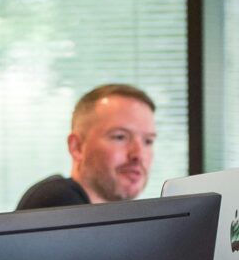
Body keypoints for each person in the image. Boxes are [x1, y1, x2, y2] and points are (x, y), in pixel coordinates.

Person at [17, 83, 157, 210]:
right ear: (77, 147)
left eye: (148, 141)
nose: (138, 155)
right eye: (120, 137)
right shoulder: (56, 203)